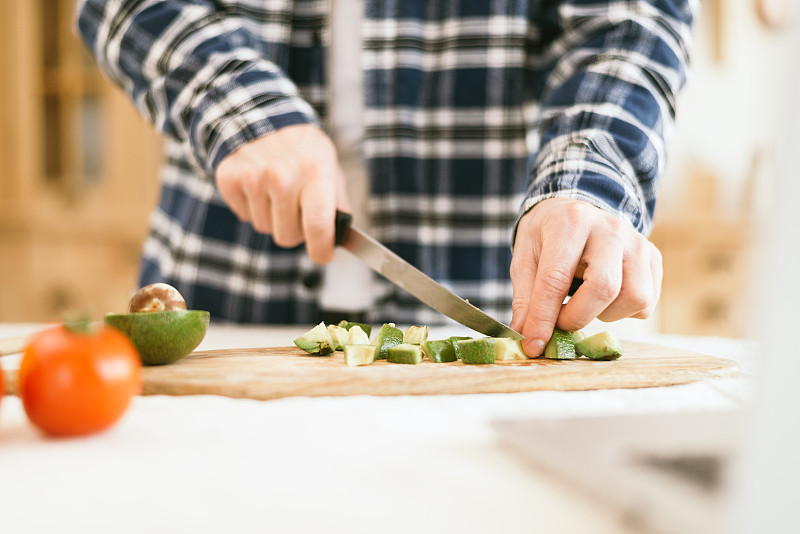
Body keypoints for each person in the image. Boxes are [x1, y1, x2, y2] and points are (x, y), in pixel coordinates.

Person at [76, 0, 693, 356]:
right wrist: (239, 105)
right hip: (222, 297)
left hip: (483, 295)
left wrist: (589, 172)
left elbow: (629, 25)